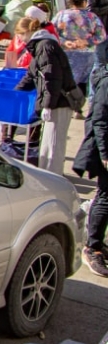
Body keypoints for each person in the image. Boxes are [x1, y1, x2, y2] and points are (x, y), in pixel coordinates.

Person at [19, 12, 79, 174]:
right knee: (47, 146)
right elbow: (32, 75)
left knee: (53, 146)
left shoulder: (45, 47)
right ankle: (48, 176)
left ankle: (53, 180)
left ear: (26, 32)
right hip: (55, 101)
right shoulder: (42, 46)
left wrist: (47, 106)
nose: (20, 40)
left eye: (20, 35)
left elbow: (52, 79)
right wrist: (15, 93)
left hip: (59, 103)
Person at [73, 40, 108, 278]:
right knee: (105, 196)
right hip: (105, 151)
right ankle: (92, 247)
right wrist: (106, 154)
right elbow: (100, 121)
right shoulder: (106, 82)